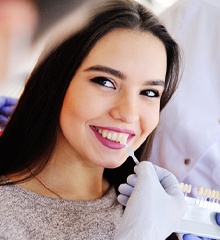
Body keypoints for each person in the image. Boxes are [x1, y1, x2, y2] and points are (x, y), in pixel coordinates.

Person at [0, 0, 188, 239]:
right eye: (105, 82)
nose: (129, 113)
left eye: (149, 92)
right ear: (55, 80)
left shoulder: (151, 213)